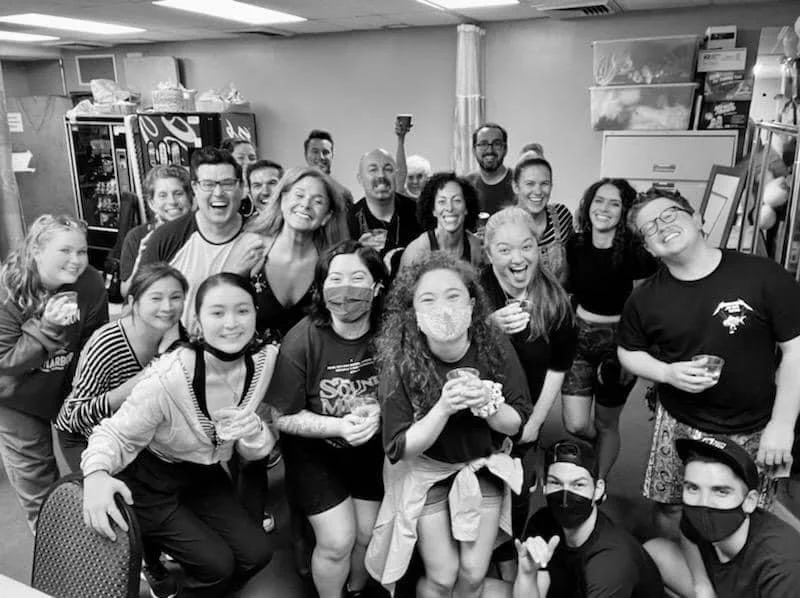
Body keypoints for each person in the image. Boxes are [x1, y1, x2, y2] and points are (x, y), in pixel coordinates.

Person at [617, 187, 800, 541]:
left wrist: (782, 424)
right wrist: (666, 373)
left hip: (755, 424)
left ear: (698, 219)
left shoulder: (763, 276)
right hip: (680, 422)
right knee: (670, 505)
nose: (662, 227)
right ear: (648, 248)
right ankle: (686, 577)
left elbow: (796, 350)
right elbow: (628, 351)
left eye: (669, 214)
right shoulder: (645, 299)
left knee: (751, 509)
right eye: (649, 228)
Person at [81, 273, 276, 598]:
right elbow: (113, 433)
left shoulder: (265, 361)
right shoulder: (168, 378)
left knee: (258, 554)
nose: (231, 323)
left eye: (242, 310)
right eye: (217, 312)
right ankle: (161, 566)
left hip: (202, 472)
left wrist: (255, 433)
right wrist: (96, 474)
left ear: (256, 314)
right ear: (197, 321)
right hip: (149, 479)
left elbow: (258, 449)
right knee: (217, 565)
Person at [366, 252, 533, 597]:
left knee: (472, 574)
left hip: (480, 464)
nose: (443, 308)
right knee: (443, 576)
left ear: (472, 304)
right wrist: (442, 408)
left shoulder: (494, 346)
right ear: (414, 314)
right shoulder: (400, 361)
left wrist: (488, 405)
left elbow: (516, 424)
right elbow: (399, 448)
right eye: (428, 299)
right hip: (425, 471)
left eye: (453, 296)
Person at [267, 240, 389, 598]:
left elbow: (410, 389)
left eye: (357, 277)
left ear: (377, 286)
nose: (346, 288)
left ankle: (354, 589)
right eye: (335, 279)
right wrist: (337, 426)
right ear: (321, 288)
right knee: (338, 541)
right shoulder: (302, 339)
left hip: (370, 449)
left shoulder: (391, 332)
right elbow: (280, 417)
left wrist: (381, 412)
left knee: (368, 535)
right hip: (314, 453)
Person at [479, 207, 576, 577]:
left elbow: (558, 367)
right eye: (504, 250)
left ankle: (506, 563)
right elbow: (446, 352)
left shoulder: (555, 301)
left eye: (526, 246)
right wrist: (487, 326)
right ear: (489, 255)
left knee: (516, 497)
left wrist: (535, 423)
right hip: (473, 418)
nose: (517, 258)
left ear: (539, 248)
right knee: (476, 493)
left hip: (524, 419)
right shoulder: (474, 292)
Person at [0, 214, 108, 532]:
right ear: (36, 249)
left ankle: (115, 539)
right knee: (38, 483)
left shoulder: (89, 283)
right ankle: (58, 553)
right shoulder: (6, 290)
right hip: (15, 396)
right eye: (65, 251)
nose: (76, 260)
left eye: (82, 251)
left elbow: (93, 342)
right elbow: (5, 360)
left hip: (67, 386)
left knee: (98, 459)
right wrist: (47, 328)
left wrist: (86, 393)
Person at [561, 179, 658, 481]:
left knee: (606, 423)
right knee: (576, 424)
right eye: (598, 201)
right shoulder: (574, 245)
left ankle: (598, 483)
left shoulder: (636, 253)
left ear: (624, 210)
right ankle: (600, 446)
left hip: (618, 342)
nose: (603, 209)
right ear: (588, 205)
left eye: (614, 203)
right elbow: (566, 291)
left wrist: (632, 353)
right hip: (579, 337)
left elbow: (645, 309)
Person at [54, 263, 187, 469]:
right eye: (156, 298)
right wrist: (144, 378)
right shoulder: (108, 342)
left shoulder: (181, 339)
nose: (167, 307)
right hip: (86, 436)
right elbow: (74, 416)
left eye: (176, 297)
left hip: (139, 435)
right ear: (134, 302)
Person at [645, 436, 800, 597]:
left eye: (721, 491)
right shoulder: (693, 510)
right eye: (693, 488)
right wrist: (702, 586)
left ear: (750, 501)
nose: (703, 502)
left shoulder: (782, 567)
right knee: (654, 551)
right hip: (719, 586)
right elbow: (688, 535)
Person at [514, 439, 664, 598]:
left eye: (578, 485)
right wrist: (527, 574)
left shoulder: (609, 562)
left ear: (598, 490)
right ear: (544, 486)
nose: (566, 497)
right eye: (556, 483)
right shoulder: (542, 523)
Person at [223, 166, 350, 340]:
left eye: (317, 201)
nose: (305, 204)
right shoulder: (253, 244)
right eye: (299, 195)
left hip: (308, 363)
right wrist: (235, 274)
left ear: (326, 217)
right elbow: (218, 300)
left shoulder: (331, 260)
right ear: (282, 200)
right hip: (252, 362)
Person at [139, 146, 245, 330]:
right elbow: (141, 305)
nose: (218, 192)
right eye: (208, 184)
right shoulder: (166, 238)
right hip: (178, 350)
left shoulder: (258, 237)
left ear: (241, 187)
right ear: (195, 188)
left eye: (227, 183)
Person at [120, 164, 193, 297]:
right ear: (151, 203)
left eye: (178, 193)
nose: (172, 201)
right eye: (163, 195)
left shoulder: (203, 231)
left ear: (190, 198)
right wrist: (141, 261)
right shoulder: (137, 237)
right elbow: (126, 293)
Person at [348, 148, 422, 270]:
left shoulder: (418, 212)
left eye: (388, 169)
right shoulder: (349, 220)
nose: (381, 175)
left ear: (397, 175)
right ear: (360, 179)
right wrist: (357, 254)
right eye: (373, 170)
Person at [399, 172, 483, 270]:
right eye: (442, 201)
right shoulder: (417, 252)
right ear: (433, 210)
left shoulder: (476, 247)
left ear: (466, 208)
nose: (450, 208)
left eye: (457, 200)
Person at [513, 156, 573, 285]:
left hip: (559, 303)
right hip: (519, 304)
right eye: (530, 184)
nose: (538, 191)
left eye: (544, 183)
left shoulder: (561, 215)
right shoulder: (503, 225)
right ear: (516, 187)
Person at [465, 123, 515, 216]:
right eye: (483, 144)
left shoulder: (520, 182)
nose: (490, 150)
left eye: (497, 144)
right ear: (474, 150)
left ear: (505, 149)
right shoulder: (465, 185)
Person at [304, 129, 354, 204]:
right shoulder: (294, 189)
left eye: (325, 152)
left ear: (332, 155)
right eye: (315, 151)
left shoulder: (343, 195)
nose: (321, 157)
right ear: (306, 155)